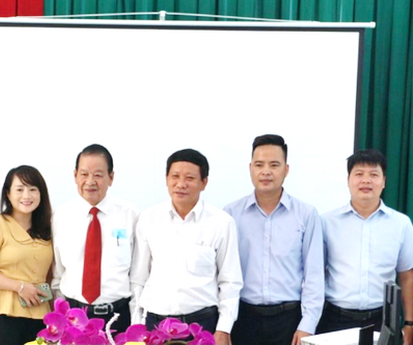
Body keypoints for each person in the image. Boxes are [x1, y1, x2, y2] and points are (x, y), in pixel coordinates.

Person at [131, 149, 242, 345]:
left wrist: (223, 329)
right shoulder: (148, 218)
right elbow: (139, 278)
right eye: (175, 176)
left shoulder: (221, 223)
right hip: (155, 326)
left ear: (204, 183)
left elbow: (230, 282)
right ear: (166, 179)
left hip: (201, 325)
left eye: (190, 178)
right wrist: (137, 325)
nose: (181, 184)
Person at [224, 134, 324, 345]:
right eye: (259, 164)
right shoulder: (231, 214)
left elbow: (314, 275)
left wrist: (308, 324)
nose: (266, 171)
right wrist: (225, 326)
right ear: (250, 168)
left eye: (274, 164)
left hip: (288, 319)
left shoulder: (306, 214)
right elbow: (224, 274)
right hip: (244, 318)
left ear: (286, 169)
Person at [317, 149, 413, 344]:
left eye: (374, 175)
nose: (366, 181)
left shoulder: (401, 224)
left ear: (384, 181)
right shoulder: (326, 222)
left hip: (382, 320)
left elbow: (407, 276)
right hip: (334, 319)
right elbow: (314, 274)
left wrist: (409, 323)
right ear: (348, 180)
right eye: (359, 174)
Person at [51, 144, 139, 334]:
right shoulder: (61, 215)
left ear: (111, 177)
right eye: (84, 174)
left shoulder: (130, 215)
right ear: (75, 176)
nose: (90, 181)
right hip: (73, 317)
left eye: (98, 175)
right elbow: (57, 272)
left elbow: (137, 274)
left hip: (119, 317)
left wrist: (137, 321)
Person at [0, 165, 53, 345]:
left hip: (41, 314)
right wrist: (20, 287)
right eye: (19, 189)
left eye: (33, 189)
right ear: (8, 194)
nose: (26, 195)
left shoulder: (49, 229)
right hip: (4, 314)